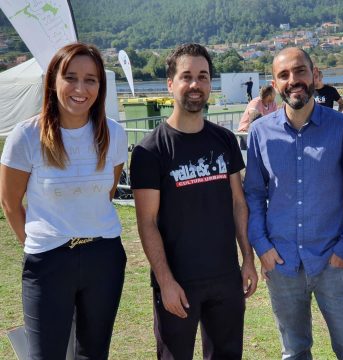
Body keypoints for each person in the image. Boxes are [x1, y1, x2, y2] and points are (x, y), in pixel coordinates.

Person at [130, 43, 258, 360]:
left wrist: (247, 259)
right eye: (186, 76)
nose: (195, 84)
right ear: (170, 83)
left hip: (225, 277)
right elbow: (146, 223)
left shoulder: (224, 139)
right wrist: (165, 281)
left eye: (203, 76)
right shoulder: (150, 151)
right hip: (178, 283)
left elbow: (238, 202)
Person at [0, 43, 127, 359]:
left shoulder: (114, 134)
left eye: (91, 80)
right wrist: (41, 245)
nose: (81, 89)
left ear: (101, 85)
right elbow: (10, 203)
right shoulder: (26, 135)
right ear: (53, 81)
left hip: (104, 257)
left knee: (93, 353)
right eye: (71, 77)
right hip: (49, 261)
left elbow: (106, 192)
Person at [244, 47, 343, 360]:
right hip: (282, 262)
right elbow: (255, 194)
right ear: (274, 83)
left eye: (300, 71)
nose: (293, 80)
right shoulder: (259, 133)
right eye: (284, 75)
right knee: (294, 351)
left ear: (314, 75)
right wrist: (262, 246)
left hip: (332, 260)